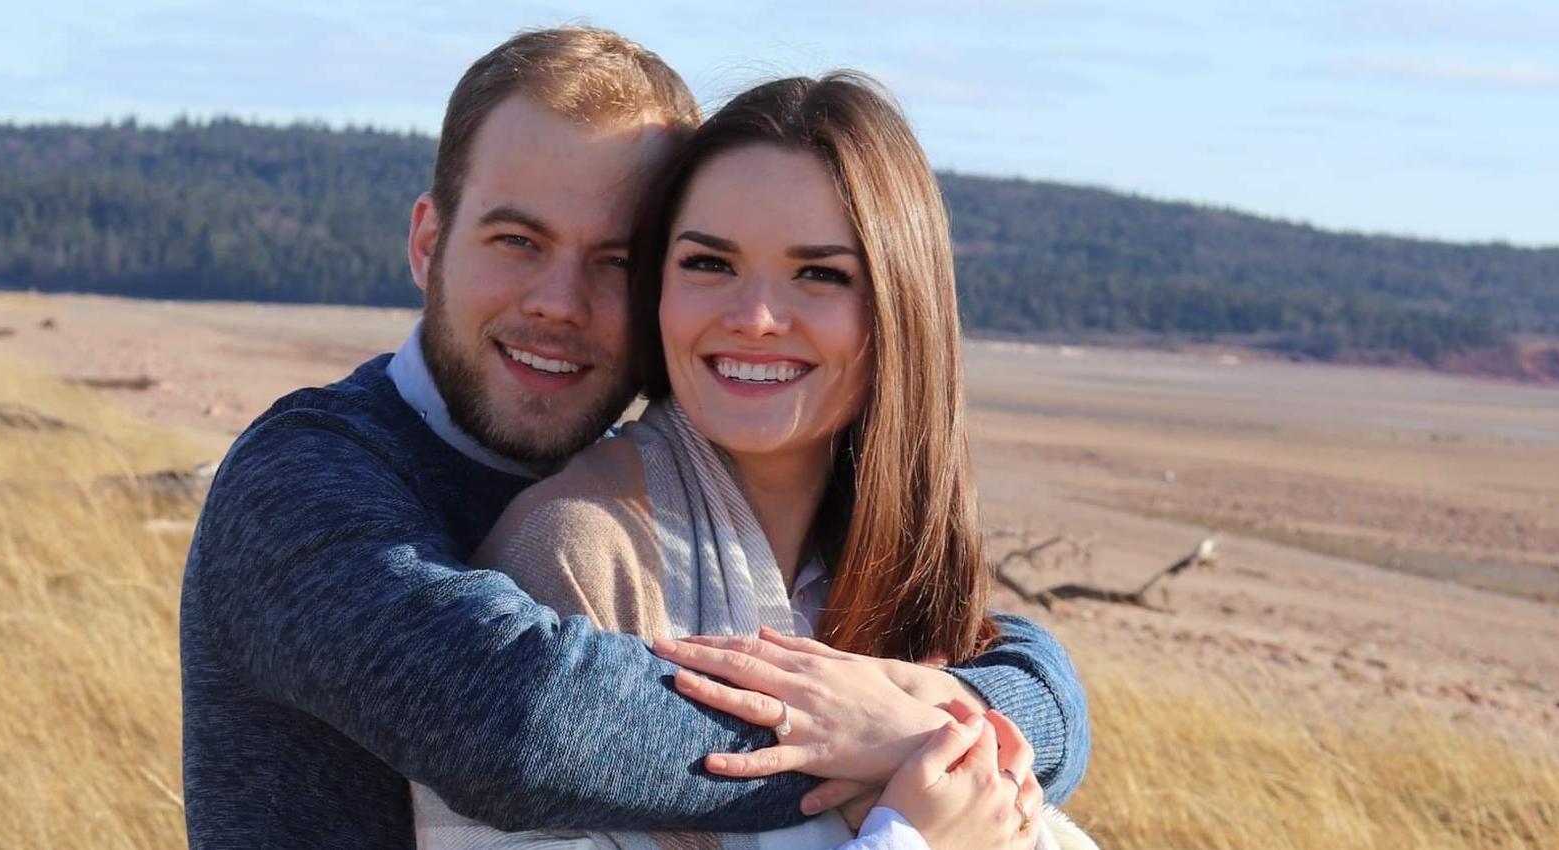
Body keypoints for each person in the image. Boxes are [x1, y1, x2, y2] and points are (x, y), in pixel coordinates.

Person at [180, 27, 1089, 850]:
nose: (559, 304)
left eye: (614, 260)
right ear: (428, 241)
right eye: (516, 241)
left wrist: (987, 714)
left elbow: (1022, 662)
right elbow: (523, 724)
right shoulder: (309, 479)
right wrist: (910, 749)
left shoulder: (707, 492)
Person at [414, 73, 1095, 850]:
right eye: (710, 263)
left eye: (820, 274)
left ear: (902, 308)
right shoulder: (579, 552)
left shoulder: (895, 566)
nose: (756, 319)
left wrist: (921, 726)